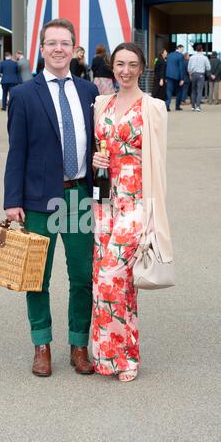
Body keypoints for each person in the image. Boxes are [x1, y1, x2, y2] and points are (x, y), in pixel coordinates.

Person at [3, 18, 99, 377]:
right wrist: (12, 201)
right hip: (38, 201)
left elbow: (97, 147)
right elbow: (17, 153)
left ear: (75, 50)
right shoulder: (25, 95)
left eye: (65, 43)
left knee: (83, 276)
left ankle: (79, 345)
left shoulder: (90, 92)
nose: (59, 49)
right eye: (51, 43)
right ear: (41, 49)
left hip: (78, 199)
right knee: (35, 277)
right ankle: (41, 345)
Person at [92, 42, 173, 382]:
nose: (125, 70)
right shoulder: (101, 103)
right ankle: (108, 357)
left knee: (115, 276)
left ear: (142, 68)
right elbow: (96, 148)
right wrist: (94, 161)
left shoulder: (152, 107)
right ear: (112, 67)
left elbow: (159, 163)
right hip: (102, 202)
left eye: (132, 64)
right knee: (106, 282)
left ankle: (125, 357)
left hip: (137, 200)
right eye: (119, 64)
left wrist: (154, 215)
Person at [188, 44, 211, 112]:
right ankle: (198, 106)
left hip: (193, 74)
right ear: (201, 50)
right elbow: (208, 67)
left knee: (193, 91)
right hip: (201, 75)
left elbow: (189, 68)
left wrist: (191, 73)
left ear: (195, 50)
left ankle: (192, 107)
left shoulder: (191, 57)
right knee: (199, 91)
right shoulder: (204, 58)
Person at [165, 44, 185, 111]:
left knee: (169, 91)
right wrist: (182, 79)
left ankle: (167, 105)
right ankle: (177, 106)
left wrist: (166, 76)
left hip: (169, 75)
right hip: (177, 77)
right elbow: (181, 68)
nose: (183, 50)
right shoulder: (181, 56)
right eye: (182, 49)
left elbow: (166, 65)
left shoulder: (169, 55)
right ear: (179, 48)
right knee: (179, 91)